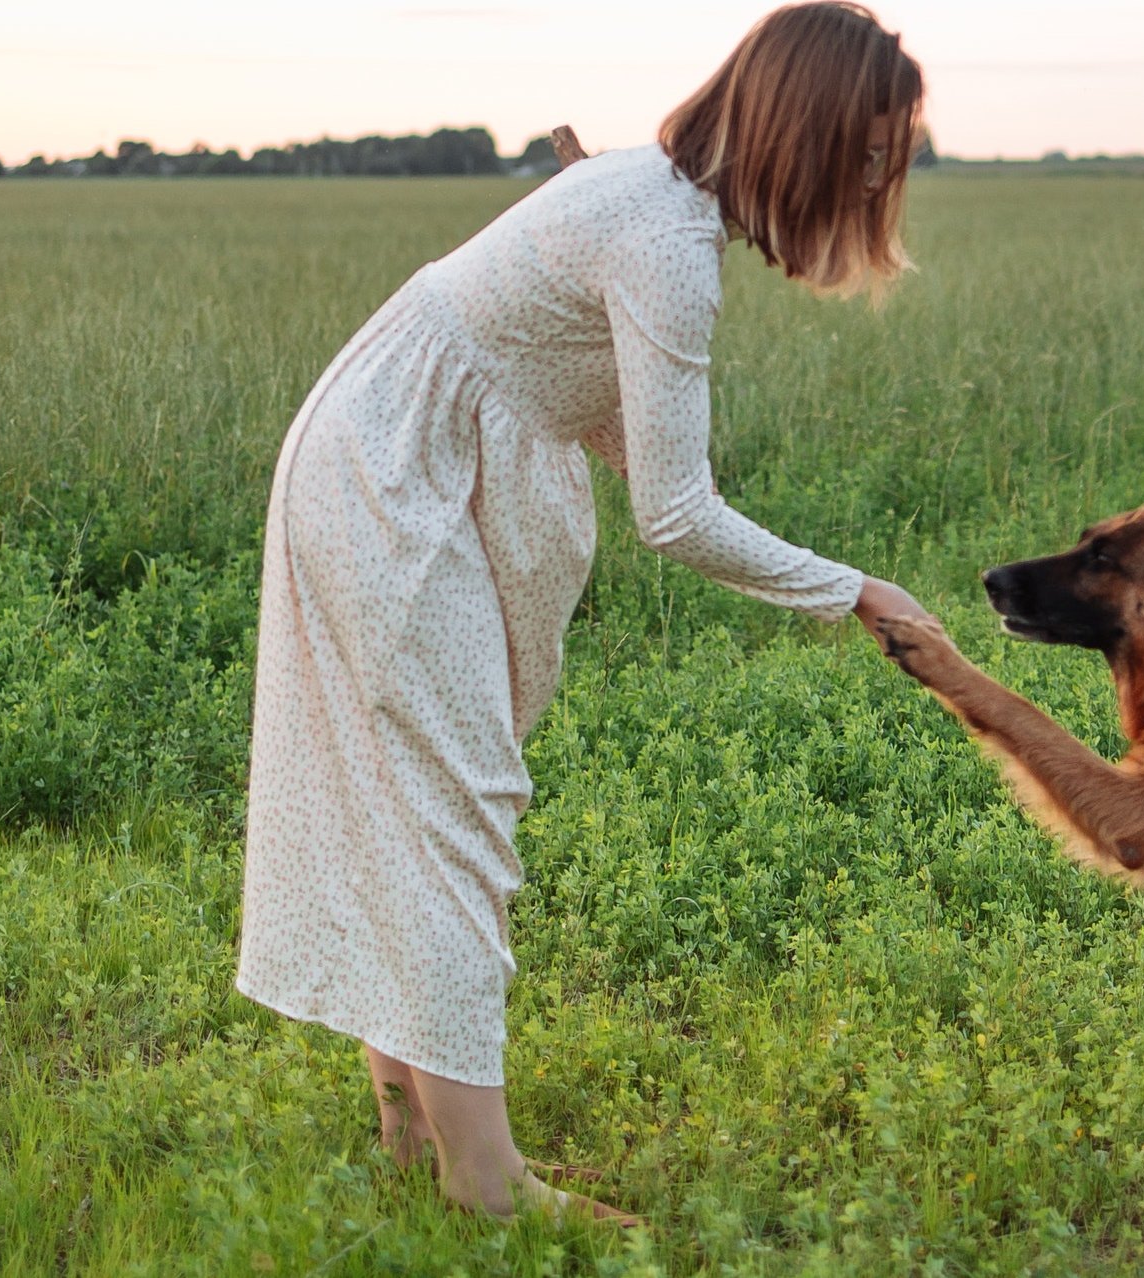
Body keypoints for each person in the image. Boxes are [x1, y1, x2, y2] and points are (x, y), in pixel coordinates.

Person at [236, 2, 928, 1223]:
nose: (876, 182)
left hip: (399, 451)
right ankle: (485, 1183)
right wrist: (856, 591)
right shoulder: (663, 241)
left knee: (424, 800)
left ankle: (412, 1136)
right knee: (456, 809)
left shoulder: (650, 198)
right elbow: (676, 515)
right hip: (390, 473)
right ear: (806, 132)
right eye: (868, 154)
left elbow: (578, 396)